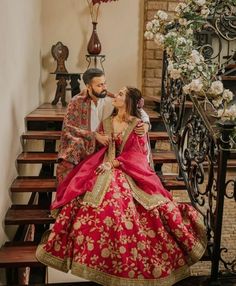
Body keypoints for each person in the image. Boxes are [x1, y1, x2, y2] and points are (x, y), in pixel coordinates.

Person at [36, 86, 207, 286]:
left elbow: (137, 155)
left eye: (120, 94)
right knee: (93, 203)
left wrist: (115, 162)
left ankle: (126, 261)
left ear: (129, 102)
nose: (114, 96)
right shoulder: (106, 122)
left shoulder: (137, 125)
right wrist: (97, 139)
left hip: (128, 169)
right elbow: (95, 146)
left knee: (125, 205)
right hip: (102, 165)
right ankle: (98, 258)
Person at [56, 68, 150, 183]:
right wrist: (94, 135)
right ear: (88, 87)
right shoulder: (77, 102)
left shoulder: (111, 100)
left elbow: (135, 107)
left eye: (105, 83)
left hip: (108, 148)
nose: (104, 87)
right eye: (100, 85)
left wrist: (146, 123)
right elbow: (68, 128)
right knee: (73, 148)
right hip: (87, 144)